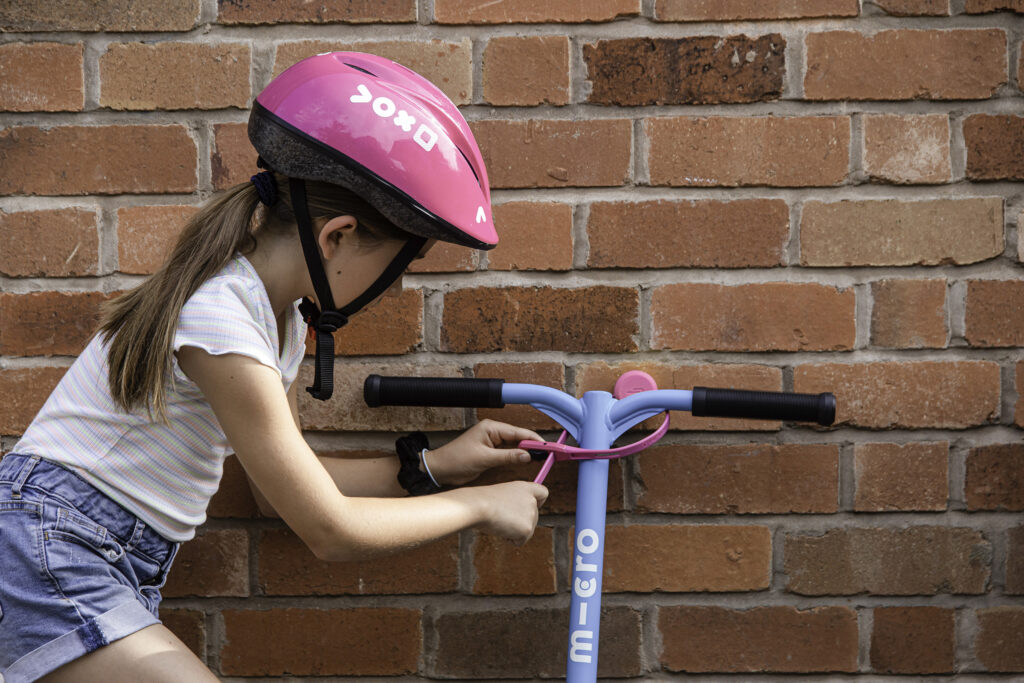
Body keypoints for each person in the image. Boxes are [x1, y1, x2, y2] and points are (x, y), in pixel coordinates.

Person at [0, 52, 549, 683]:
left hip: (92, 551)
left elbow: (278, 493)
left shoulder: (277, 318)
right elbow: (330, 530)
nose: (396, 289)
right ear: (337, 237)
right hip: (51, 544)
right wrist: (480, 506)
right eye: (401, 263)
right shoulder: (222, 320)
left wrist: (436, 466)